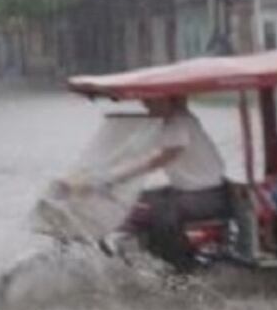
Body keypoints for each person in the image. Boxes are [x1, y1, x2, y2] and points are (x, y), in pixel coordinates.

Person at [66, 95, 228, 272]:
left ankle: (180, 268)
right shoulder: (170, 123)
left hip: (205, 196)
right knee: (137, 201)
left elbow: (161, 159)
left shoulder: (179, 122)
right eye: (146, 102)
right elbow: (136, 152)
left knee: (161, 212)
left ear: (168, 100)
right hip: (188, 192)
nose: (147, 106)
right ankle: (137, 252)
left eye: (152, 101)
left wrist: (112, 179)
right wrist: (100, 173)